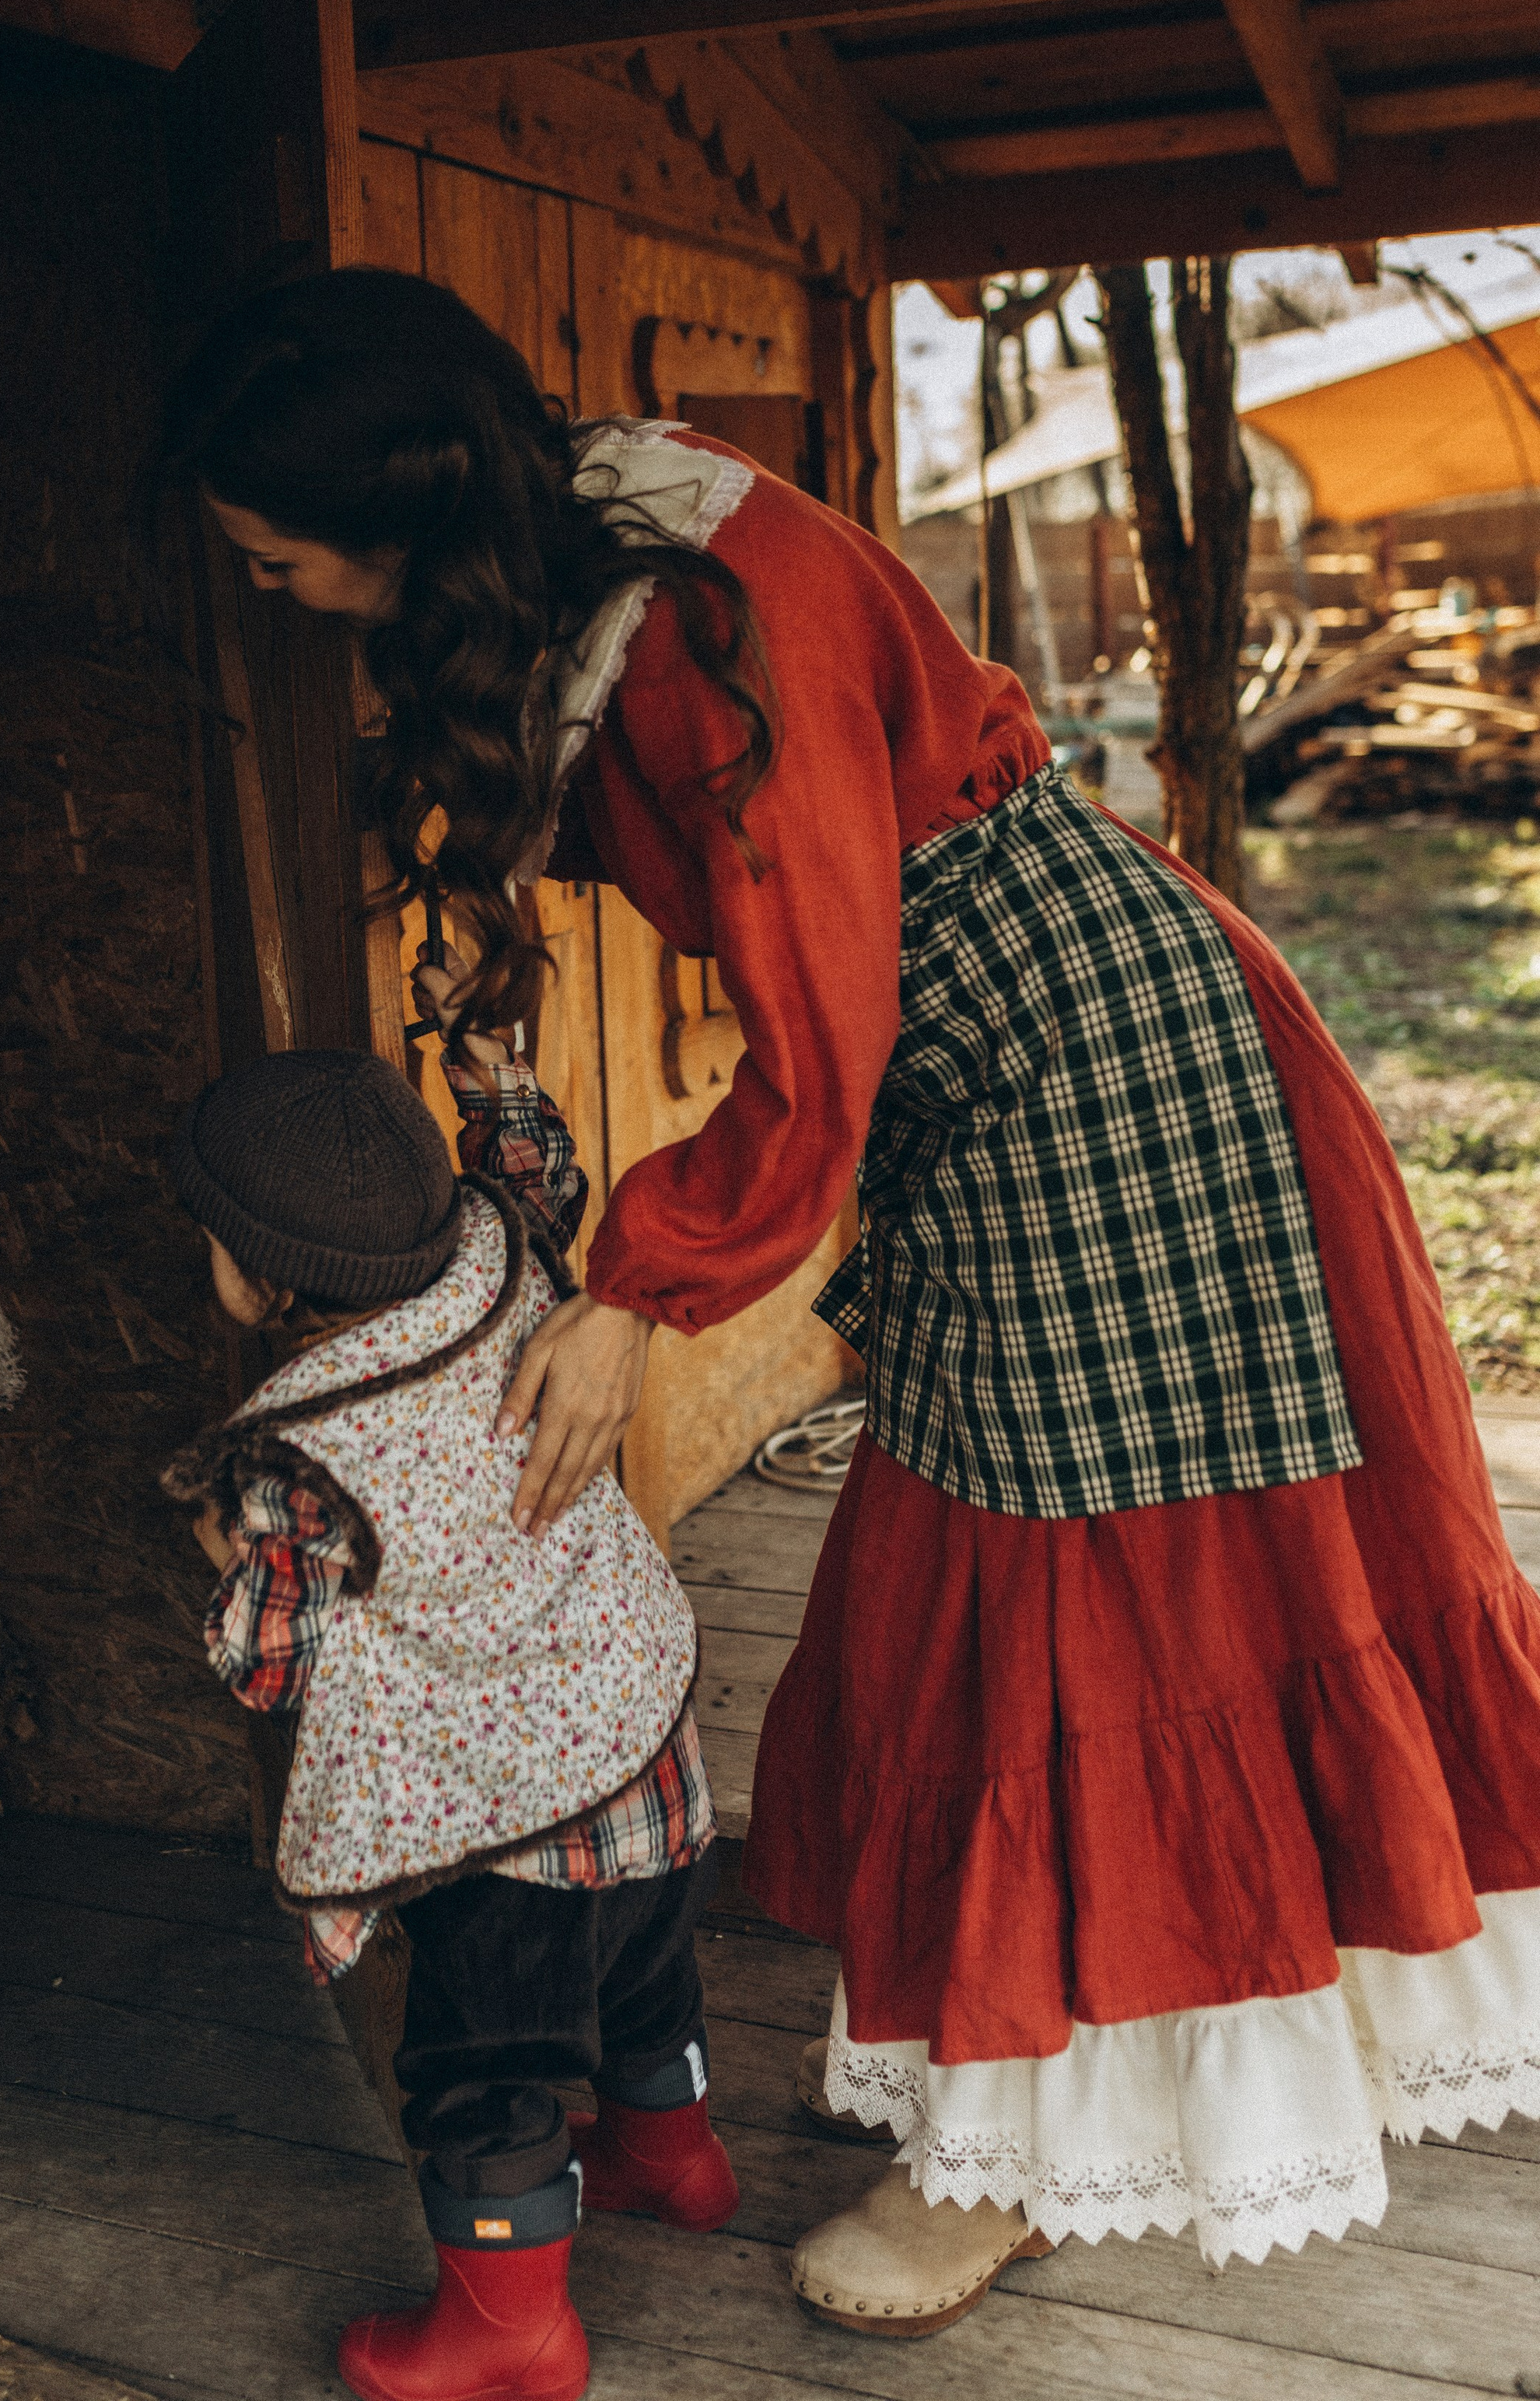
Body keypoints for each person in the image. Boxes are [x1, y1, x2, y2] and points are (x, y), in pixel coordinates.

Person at [156, 263, 1540, 2338]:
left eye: (277, 560)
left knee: (1067, 1616)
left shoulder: (706, 646)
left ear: (399, 526)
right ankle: (1047, 2114)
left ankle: (1016, 2161)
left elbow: (823, 1043)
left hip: (1086, 1090)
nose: (267, 593)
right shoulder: (616, 535)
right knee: (1019, 1595)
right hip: (1020, 1061)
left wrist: (643, 1285)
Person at [159, 1003, 737, 2401]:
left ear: (268, 1278)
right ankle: (675, 2159)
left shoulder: (305, 1459)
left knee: (488, 2063)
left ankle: (511, 2329)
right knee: (648, 1958)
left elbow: (272, 1665)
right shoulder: (505, 1250)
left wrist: (215, 1553)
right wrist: (505, 1093)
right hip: (638, 1717)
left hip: (508, 1811)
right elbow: (548, 1179)